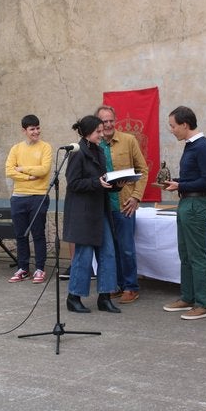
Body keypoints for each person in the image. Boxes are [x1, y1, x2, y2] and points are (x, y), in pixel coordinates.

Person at [162, 106, 206, 320]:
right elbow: (194, 177)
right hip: (187, 202)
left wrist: (180, 186)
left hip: (196, 204)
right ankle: (188, 297)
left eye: (173, 126)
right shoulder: (191, 145)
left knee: (197, 255)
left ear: (185, 125)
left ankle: (205, 303)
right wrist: (178, 182)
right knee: (185, 253)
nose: (172, 130)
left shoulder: (203, 147)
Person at [63, 115, 121, 313]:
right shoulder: (77, 153)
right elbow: (73, 183)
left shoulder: (100, 151)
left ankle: (104, 297)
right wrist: (97, 183)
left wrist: (115, 185)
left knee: (108, 253)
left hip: (100, 210)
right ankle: (74, 297)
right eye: (98, 131)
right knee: (84, 255)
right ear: (88, 133)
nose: (102, 133)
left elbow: (102, 181)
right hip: (83, 213)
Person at [96, 105, 149, 304]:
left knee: (126, 248)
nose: (108, 125)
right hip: (103, 206)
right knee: (110, 248)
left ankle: (130, 287)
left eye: (111, 120)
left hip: (125, 203)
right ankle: (116, 285)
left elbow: (143, 170)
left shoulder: (129, 140)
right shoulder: (95, 144)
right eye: (104, 121)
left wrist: (136, 197)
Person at [5, 114, 52, 284]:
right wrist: (27, 177)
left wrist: (22, 169)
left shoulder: (45, 147)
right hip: (18, 197)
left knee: (38, 234)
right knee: (20, 235)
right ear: (24, 131)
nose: (36, 132)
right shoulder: (16, 149)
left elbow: (44, 170)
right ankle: (23, 268)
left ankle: (40, 268)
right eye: (32, 129)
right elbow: (9, 171)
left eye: (38, 128)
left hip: (38, 196)